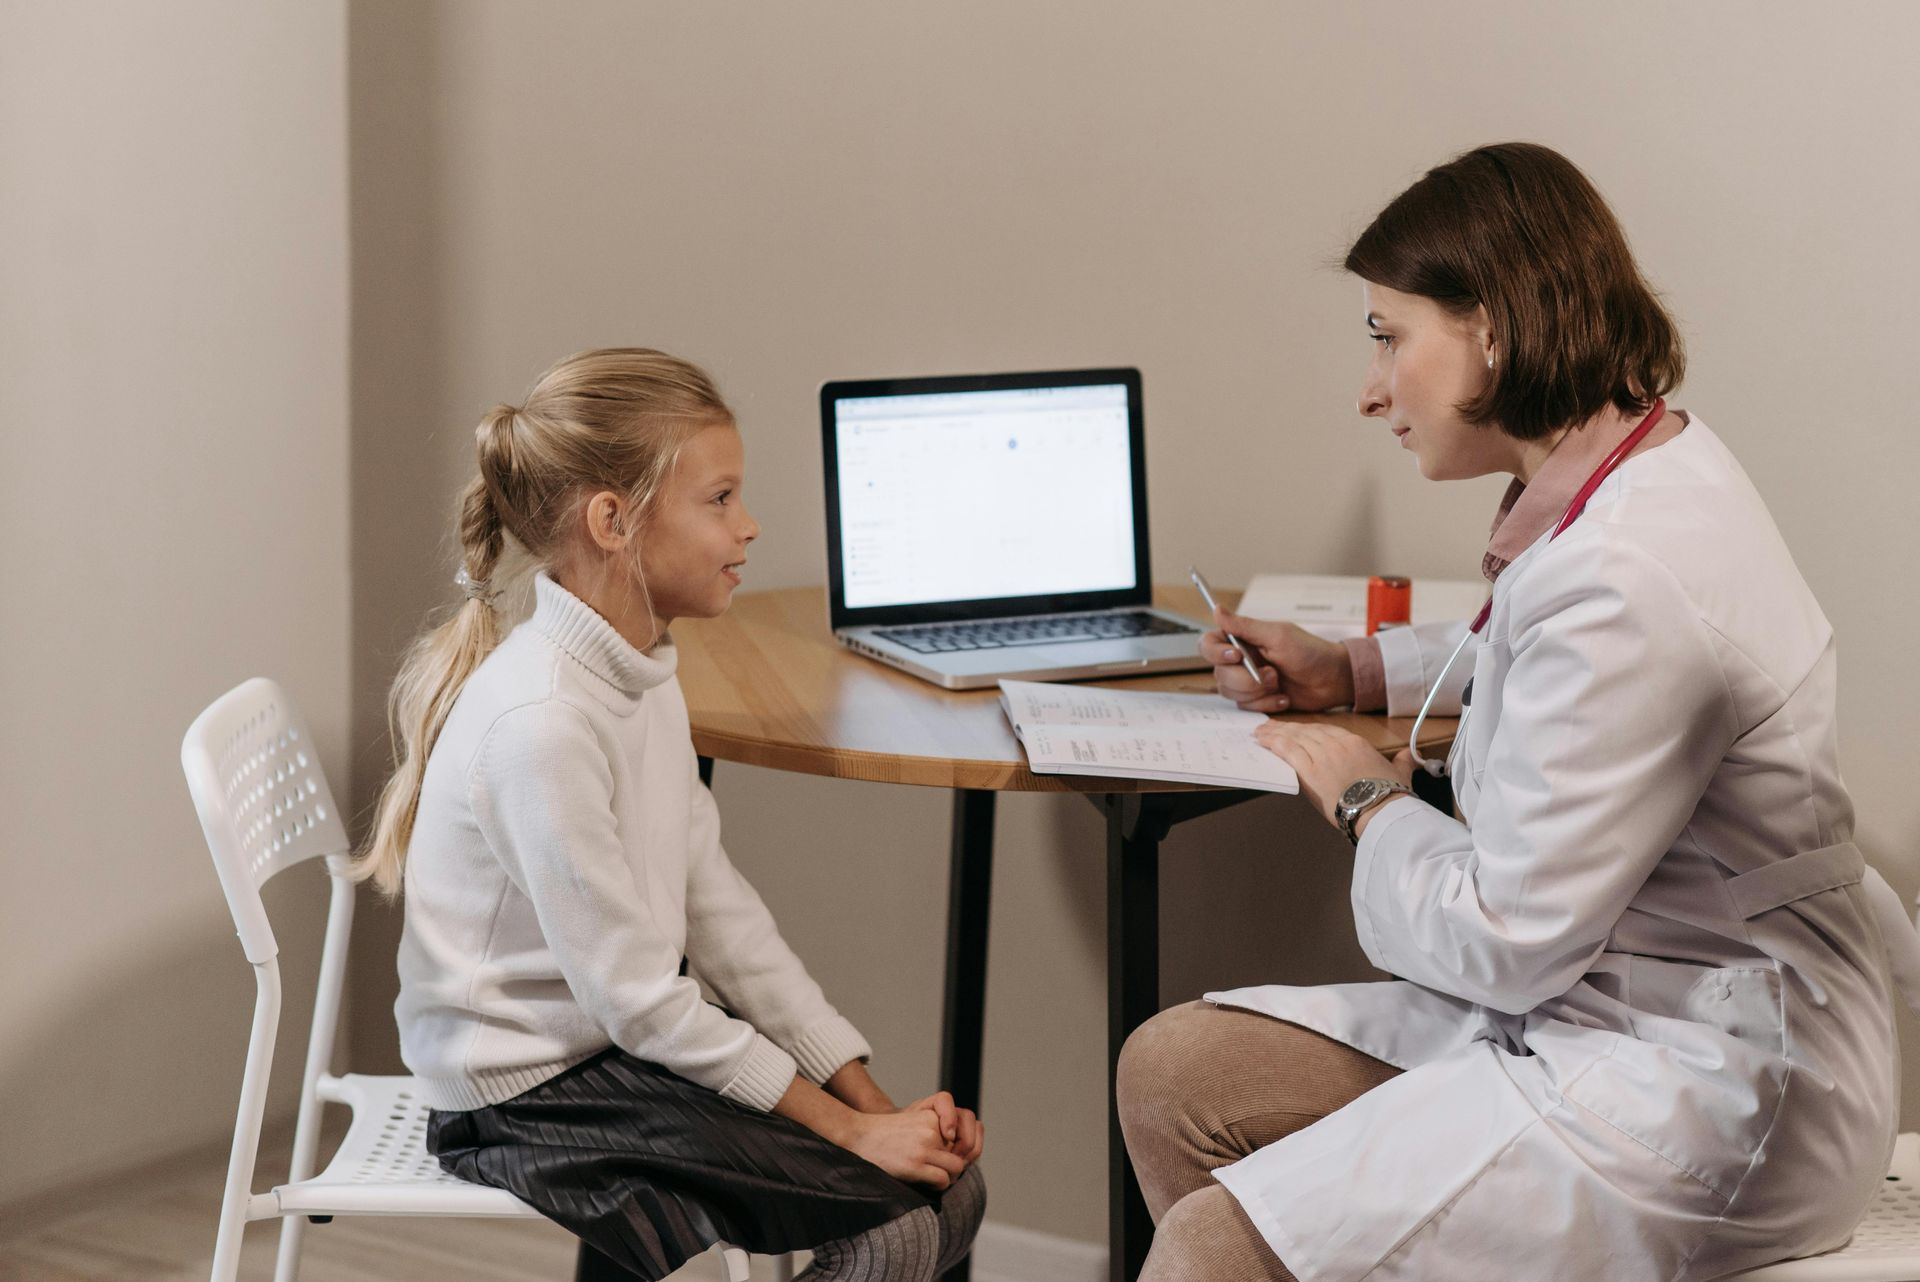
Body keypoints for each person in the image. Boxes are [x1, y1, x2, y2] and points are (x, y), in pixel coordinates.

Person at [1117, 143, 1919, 1281]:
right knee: (1174, 1068)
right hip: (1618, 1005)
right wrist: (1350, 670)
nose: (1368, 388)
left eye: (1389, 337)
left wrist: (1365, 796)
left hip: (1713, 1088)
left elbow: (1504, 939)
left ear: (1491, 326)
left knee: (1213, 1245)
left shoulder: (1631, 571)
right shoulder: (1630, 464)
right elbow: (1538, 653)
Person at [355, 348, 985, 1281]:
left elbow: (718, 911)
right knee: (905, 1221)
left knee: (945, 1190)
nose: (750, 524)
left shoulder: (638, 667)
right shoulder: (544, 724)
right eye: (719, 499)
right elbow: (641, 999)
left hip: (606, 1050)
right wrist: (851, 1130)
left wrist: (873, 1102)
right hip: (520, 1093)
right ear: (614, 522)